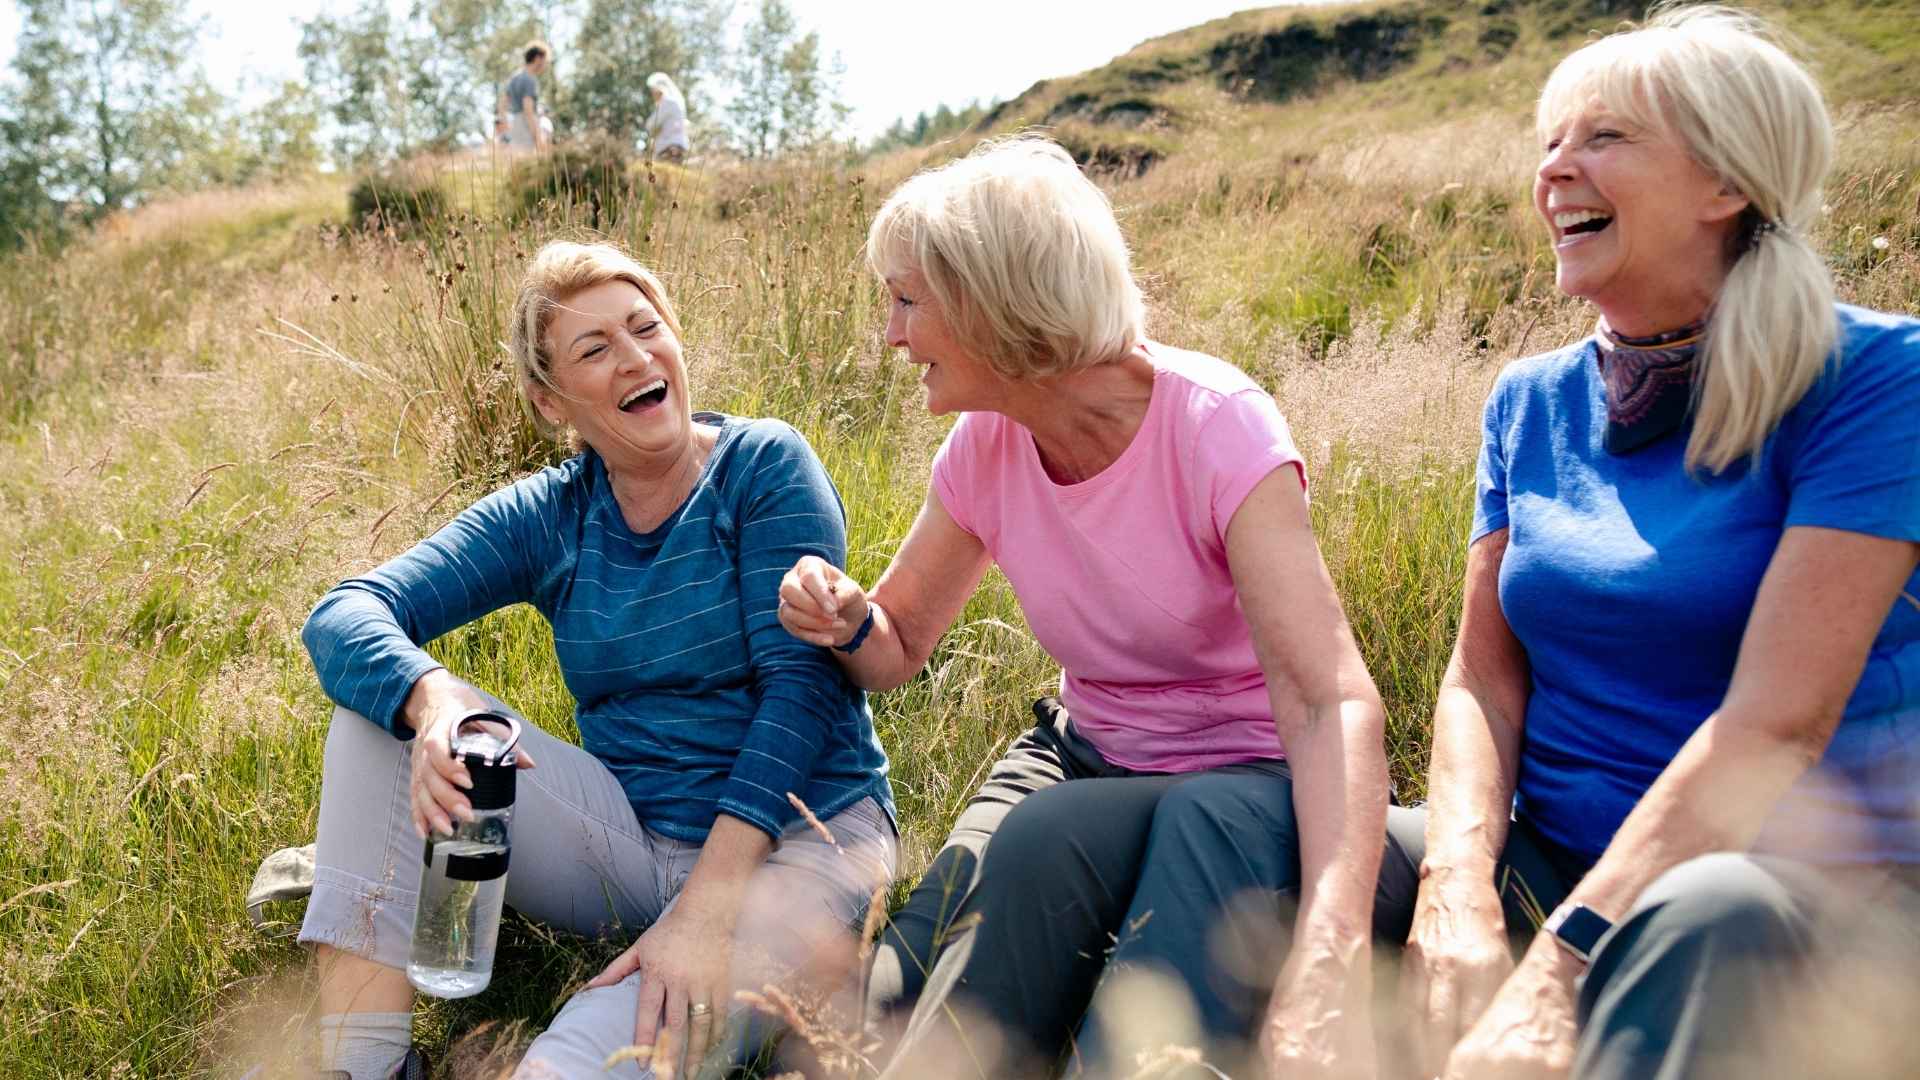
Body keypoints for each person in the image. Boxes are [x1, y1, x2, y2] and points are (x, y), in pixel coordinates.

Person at [1377, 7, 1920, 1079]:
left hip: (1788, 888)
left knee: (1703, 911)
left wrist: (1558, 965)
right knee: (1293, 837)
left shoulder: (1876, 380)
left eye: (1602, 139)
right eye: (1547, 144)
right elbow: (1480, 683)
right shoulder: (1526, 399)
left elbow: (1774, 729)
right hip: (1561, 849)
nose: (1553, 172)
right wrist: (1455, 887)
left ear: (1726, 184)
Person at [777, 136, 1392, 1078]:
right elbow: (894, 646)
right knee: (885, 1013)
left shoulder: (1216, 427)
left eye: (907, 300)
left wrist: (1330, 942)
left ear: (995, 298)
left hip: (1236, 790)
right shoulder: (985, 448)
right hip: (1078, 755)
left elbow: (1326, 702)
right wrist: (843, 616)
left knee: (1110, 989)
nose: (891, 336)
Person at [293, 240, 896, 1080]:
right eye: (595, 348)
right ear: (550, 402)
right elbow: (344, 613)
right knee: (376, 723)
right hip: (633, 838)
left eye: (647, 329)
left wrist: (705, 914)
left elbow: (802, 697)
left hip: (799, 847)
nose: (637, 358)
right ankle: (365, 1065)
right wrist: (434, 704)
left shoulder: (763, 466)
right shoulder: (552, 515)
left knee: (573, 1067)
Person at [499, 41, 551, 153]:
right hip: (527, 125)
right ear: (537, 58)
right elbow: (528, 110)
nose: (545, 64)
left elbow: (502, 104)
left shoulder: (514, 77)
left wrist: (506, 124)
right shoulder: (530, 79)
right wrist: (537, 137)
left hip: (515, 124)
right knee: (529, 162)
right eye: (545, 60)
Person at [645, 73, 690, 164]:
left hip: (669, 148)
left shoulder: (667, 103)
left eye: (653, 91)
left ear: (659, 90)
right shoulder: (674, 102)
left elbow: (651, 125)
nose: (652, 94)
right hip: (675, 147)